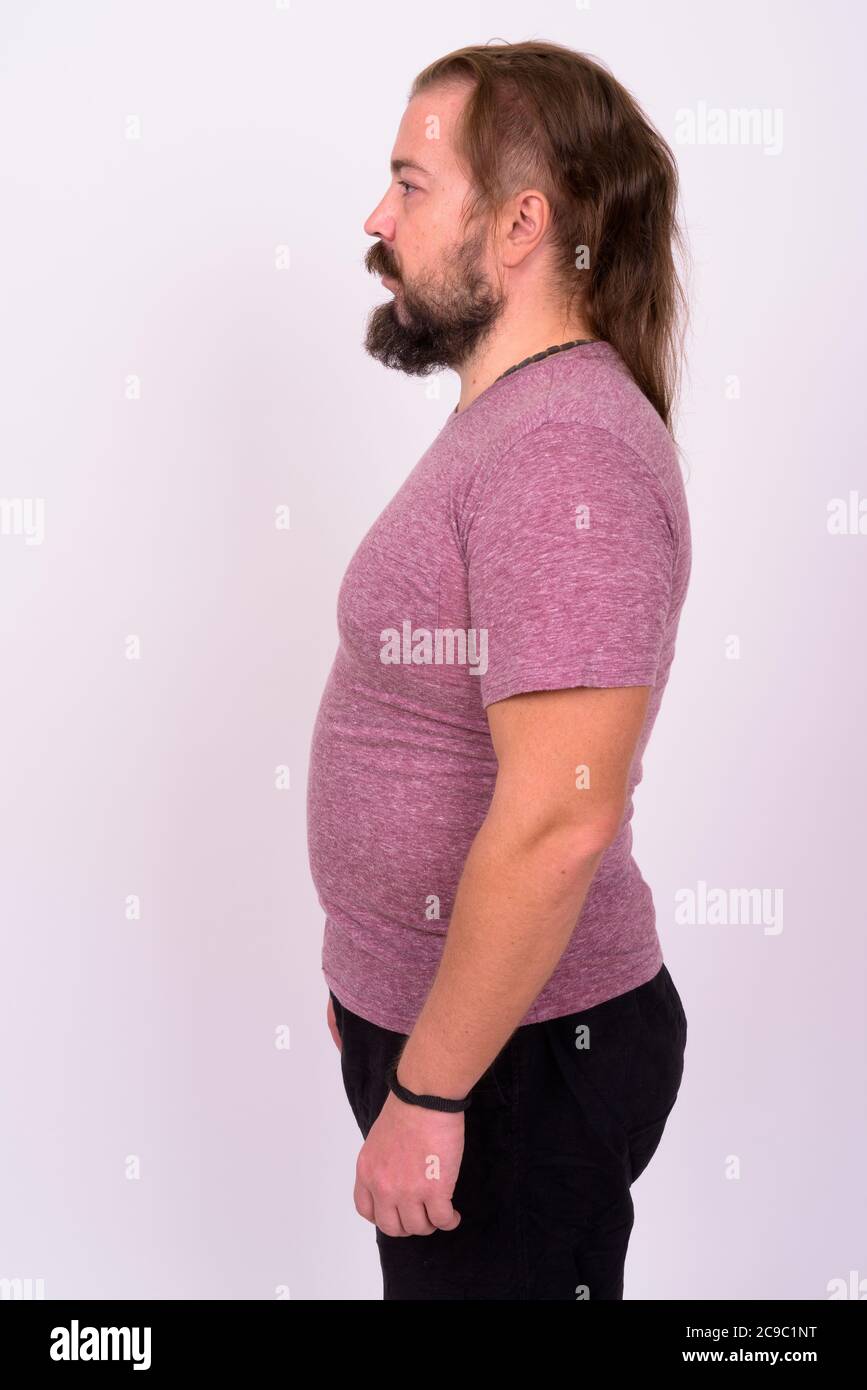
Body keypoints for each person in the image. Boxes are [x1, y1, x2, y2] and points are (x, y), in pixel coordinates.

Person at [306, 38, 692, 1300]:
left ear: (522, 223)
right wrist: (375, 981)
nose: (378, 217)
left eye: (411, 184)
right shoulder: (512, 425)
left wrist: (429, 1080)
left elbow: (562, 816)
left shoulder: (564, 449)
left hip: (519, 1060)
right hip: (468, 1036)